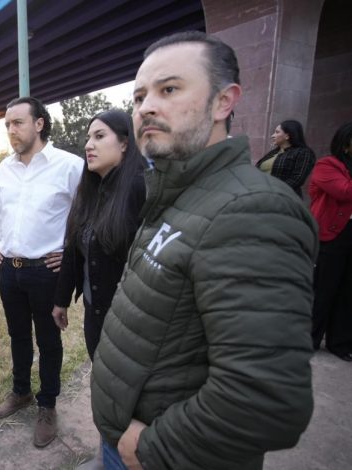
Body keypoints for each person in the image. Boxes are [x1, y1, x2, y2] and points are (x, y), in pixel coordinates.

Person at [90, 31, 317, 470]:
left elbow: (266, 401)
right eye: (139, 97)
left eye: (169, 89)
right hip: (123, 442)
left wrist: (154, 447)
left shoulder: (252, 209)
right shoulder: (175, 191)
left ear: (223, 102)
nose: (146, 107)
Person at [0, 96, 83, 448]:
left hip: (46, 271)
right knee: (18, 336)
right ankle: (21, 392)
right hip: (9, 270)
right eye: (7, 124)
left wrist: (70, 252)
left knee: (48, 339)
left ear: (38, 124)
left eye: (17, 122)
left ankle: (48, 405)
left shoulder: (69, 166)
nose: (11, 130)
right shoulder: (5, 168)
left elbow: (85, 214)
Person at [52, 110, 145, 361]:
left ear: (125, 143)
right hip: (94, 315)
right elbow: (74, 250)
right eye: (88, 138)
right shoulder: (89, 192)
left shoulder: (141, 188)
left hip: (131, 321)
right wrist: (61, 299)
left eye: (99, 136)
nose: (88, 145)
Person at [308, 121, 352, 361]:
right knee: (323, 288)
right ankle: (309, 338)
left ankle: (340, 343)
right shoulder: (327, 165)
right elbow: (344, 191)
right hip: (332, 235)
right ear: (346, 144)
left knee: (347, 292)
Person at [255, 119, 316, 197]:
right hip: (262, 195)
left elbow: (297, 179)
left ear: (287, 136)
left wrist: (274, 191)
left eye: (277, 132)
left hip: (283, 199)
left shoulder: (303, 153)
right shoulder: (274, 152)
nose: (272, 135)